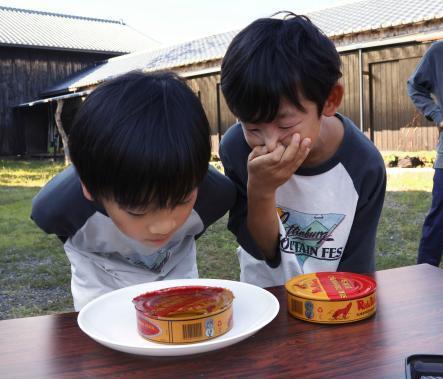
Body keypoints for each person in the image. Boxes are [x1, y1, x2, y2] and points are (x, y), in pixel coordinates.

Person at [31, 71, 236, 310]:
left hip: (175, 274)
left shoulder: (216, 195)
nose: (165, 226)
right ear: (90, 190)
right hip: (100, 279)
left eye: (182, 200)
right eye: (137, 211)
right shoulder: (58, 207)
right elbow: (61, 230)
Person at [219, 12, 386, 287]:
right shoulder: (237, 148)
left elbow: (356, 272)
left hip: (331, 303)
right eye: (252, 127)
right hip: (266, 297)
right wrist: (260, 190)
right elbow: (262, 250)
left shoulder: (364, 165)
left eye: (285, 123)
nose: (270, 143)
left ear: (330, 100)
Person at [407, 39, 443, 267]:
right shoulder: (440, 52)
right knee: (438, 225)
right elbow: (415, 86)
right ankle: (424, 278)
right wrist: (436, 113)